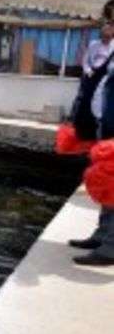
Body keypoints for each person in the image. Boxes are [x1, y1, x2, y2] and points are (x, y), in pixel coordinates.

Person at [72, 29, 114, 266]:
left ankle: (110, 248)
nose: (108, 25)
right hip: (105, 126)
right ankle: (102, 236)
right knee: (107, 186)